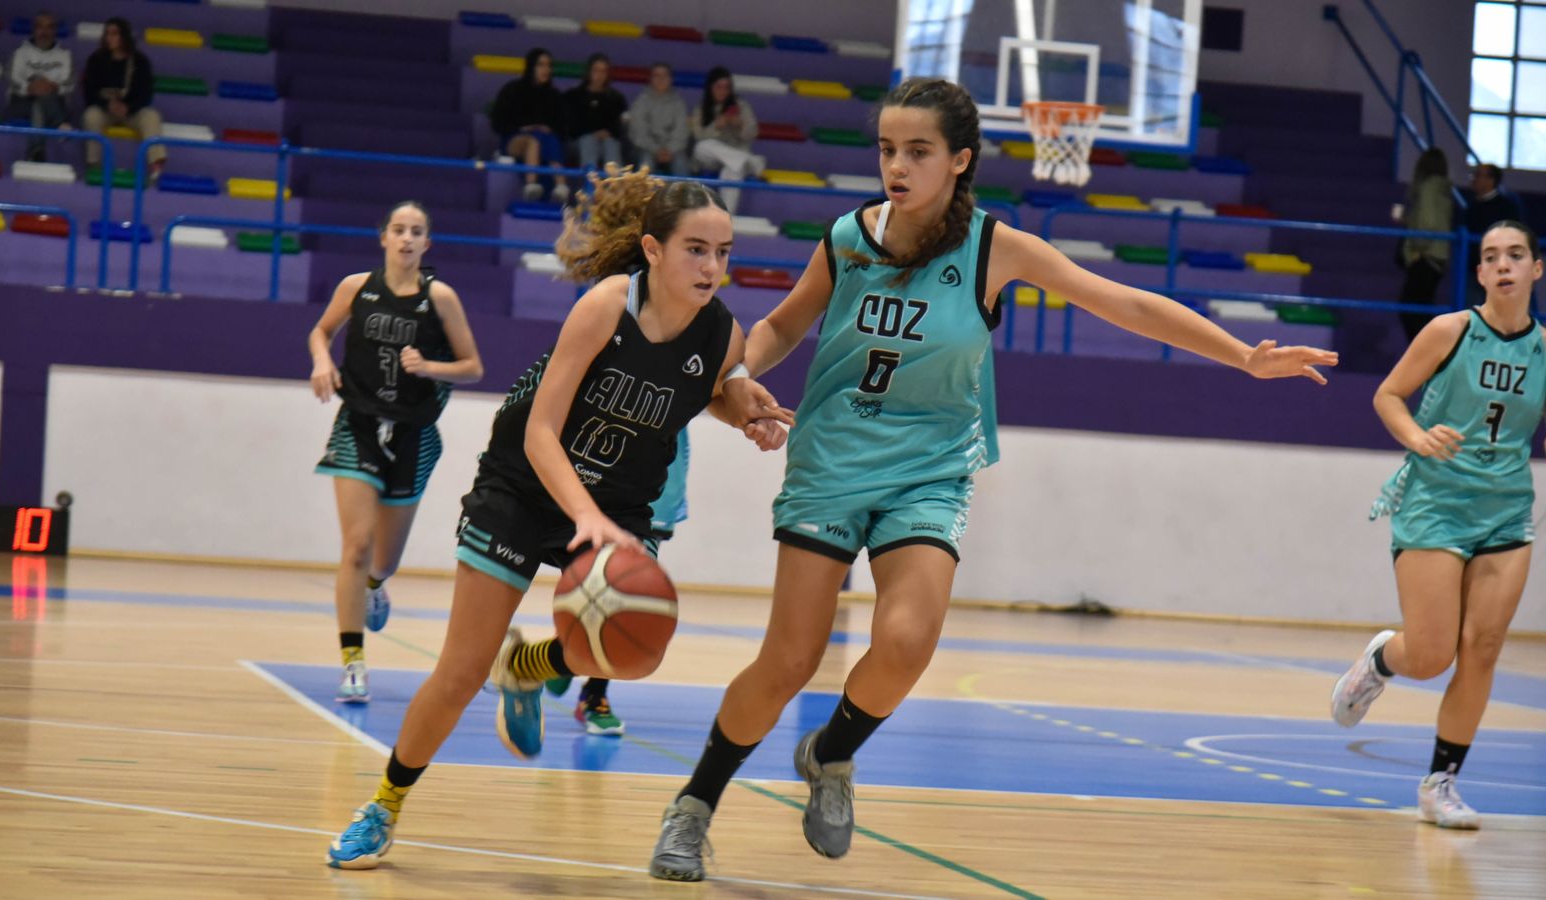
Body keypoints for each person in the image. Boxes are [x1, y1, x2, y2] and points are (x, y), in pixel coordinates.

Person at [645, 78, 1339, 882]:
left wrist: (1244, 356)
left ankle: (830, 754)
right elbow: (779, 324)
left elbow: (1124, 304)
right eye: (887, 149)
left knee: (906, 643)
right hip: (831, 462)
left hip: (929, 472)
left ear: (959, 160)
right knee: (789, 662)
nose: (896, 166)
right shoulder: (847, 237)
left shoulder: (993, 249)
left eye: (918, 151)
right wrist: (734, 377)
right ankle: (693, 805)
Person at [323, 173, 791, 870]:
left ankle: (529, 667)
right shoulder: (606, 307)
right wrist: (584, 517)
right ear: (653, 250)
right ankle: (383, 805)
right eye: (696, 250)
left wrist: (745, 411)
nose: (712, 268)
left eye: (723, 253)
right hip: (523, 485)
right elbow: (542, 430)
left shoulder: (723, 334)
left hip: (621, 498)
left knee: (637, 648)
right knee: (460, 671)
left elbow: (708, 391)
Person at [1331, 220, 1543, 831]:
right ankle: (1381, 660)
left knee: (1483, 648)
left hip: (1506, 510)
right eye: (1491, 257)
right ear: (1479, 273)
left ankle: (1440, 784)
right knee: (1430, 655)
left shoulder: (1543, 350)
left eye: (1516, 255)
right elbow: (1388, 396)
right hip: (1436, 503)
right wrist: (1418, 437)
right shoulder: (1450, 331)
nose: (1503, 265)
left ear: (1536, 269)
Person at [308, 202, 484, 704]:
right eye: (399, 230)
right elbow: (320, 332)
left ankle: (375, 584)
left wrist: (429, 366)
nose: (407, 238)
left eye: (416, 231)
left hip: (414, 435)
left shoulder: (440, 298)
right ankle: (352, 661)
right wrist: (321, 360)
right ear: (383, 237)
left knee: (383, 560)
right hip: (358, 426)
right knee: (356, 546)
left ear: (427, 244)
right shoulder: (355, 288)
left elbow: (473, 366)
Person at [543, 427, 692, 736]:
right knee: (592, 581)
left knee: (625, 596)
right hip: (600, 471)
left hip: (657, 484)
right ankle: (563, 649)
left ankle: (593, 693)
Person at [80, 17, 164, 182]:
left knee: (151, 116)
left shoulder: (140, 61)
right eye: (107, 34)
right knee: (91, 116)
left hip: (131, 112)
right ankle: (94, 164)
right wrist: (107, 105)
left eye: (114, 34)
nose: (110, 38)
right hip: (105, 110)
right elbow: (89, 93)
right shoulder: (96, 60)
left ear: (124, 36)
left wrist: (129, 107)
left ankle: (155, 163)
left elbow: (146, 94)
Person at [492, 47, 571, 204]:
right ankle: (531, 185)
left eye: (548, 65)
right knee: (532, 140)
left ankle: (561, 188)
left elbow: (563, 128)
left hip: (546, 141)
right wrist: (522, 128)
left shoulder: (554, 95)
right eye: (541, 65)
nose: (546, 69)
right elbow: (498, 122)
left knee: (550, 138)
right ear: (531, 66)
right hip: (515, 138)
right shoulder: (512, 89)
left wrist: (549, 128)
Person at [1395, 148, 1454, 342]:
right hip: (1439, 255)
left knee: (1411, 309)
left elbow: (1428, 224)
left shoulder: (1428, 187)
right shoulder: (1444, 190)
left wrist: (1417, 251)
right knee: (1420, 308)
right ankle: (1428, 352)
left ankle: (1425, 353)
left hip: (1426, 256)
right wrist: (1409, 220)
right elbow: (1434, 221)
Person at [690, 66, 765, 213]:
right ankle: (750, 160)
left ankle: (726, 216)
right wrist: (716, 126)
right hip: (711, 159)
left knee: (733, 170)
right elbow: (698, 136)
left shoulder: (741, 106)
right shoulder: (701, 108)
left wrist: (740, 125)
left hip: (735, 153)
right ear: (710, 87)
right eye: (719, 87)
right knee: (700, 147)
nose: (722, 91)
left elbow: (753, 133)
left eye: (726, 87)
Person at [4, 11, 72, 162]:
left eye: (49, 27)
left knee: (39, 104)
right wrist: (30, 88)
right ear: (34, 29)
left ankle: (36, 151)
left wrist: (51, 87)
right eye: (40, 27)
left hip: (54, 101)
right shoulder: (20, 53)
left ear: (55, 31)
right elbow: (13, 80)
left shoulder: (65, 55)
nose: (44, 32)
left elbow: (68, 84)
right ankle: (60, 123)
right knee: (39, 101)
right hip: (21, 102)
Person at [1463, 164, 1525, 302]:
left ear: (1491, 180)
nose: (1474, 179)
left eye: (1478, 175)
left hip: (1498, 269)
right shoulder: (1472, 207)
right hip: (1474, 268)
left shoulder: (1506, 207)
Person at [564, 53, 627, 173]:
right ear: (589, 72)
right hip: (578, 142)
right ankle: (590, 182)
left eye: (603, 71)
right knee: (589, 140)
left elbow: (618, 127)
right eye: (596, 70)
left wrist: (607, 133)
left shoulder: (616, 98)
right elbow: (572, 126)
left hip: (606, 141)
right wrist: (594, 133)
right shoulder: (573, 95)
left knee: (611, 143)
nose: (599, 75)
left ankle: (615, 182)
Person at [629, 62, 690, 176]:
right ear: (650, 79)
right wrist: (656, 150)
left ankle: (683, 189)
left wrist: (669, 150)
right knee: (646, 165)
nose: (661, 79)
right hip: (647, 149)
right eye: (657, 75)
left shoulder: (679, 103)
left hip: (673, 151)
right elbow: (639, 132)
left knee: (681, 163)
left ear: (670, 79)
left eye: (664, 75)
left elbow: (681, 132)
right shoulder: (641, 102)